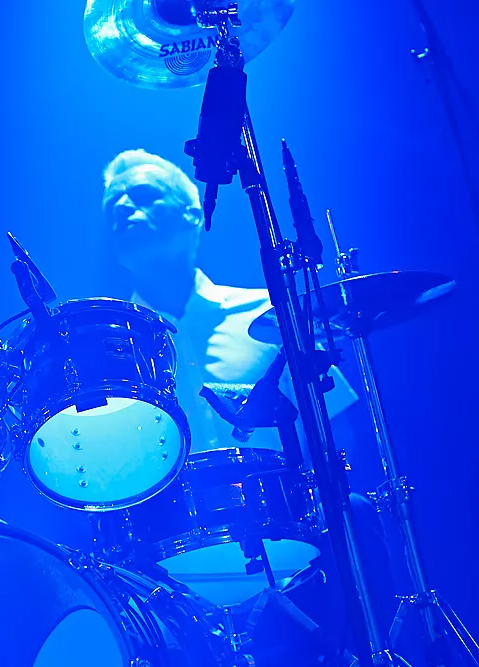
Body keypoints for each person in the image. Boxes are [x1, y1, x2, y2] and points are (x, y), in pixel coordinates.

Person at [99, 149, 395, 662]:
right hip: (171, 550)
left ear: (193, 213)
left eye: (143, 194)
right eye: (113, 205)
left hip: (291, 531)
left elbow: (339, 440)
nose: (125, 206)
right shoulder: (109, 352)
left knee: (357, 512)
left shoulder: (267, 311)